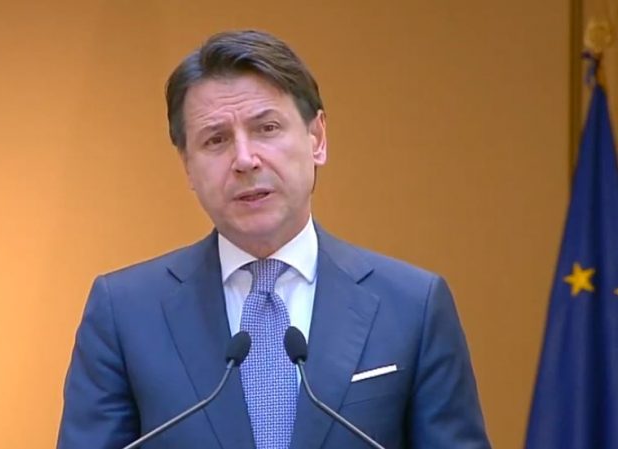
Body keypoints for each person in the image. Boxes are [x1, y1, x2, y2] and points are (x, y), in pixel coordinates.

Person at [57, 29, 491, 449]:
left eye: (267, 128)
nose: (245, 160)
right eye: (216, 140)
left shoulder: (413, 306)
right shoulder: (125, 313)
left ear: (317, 138)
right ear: (187, 165)